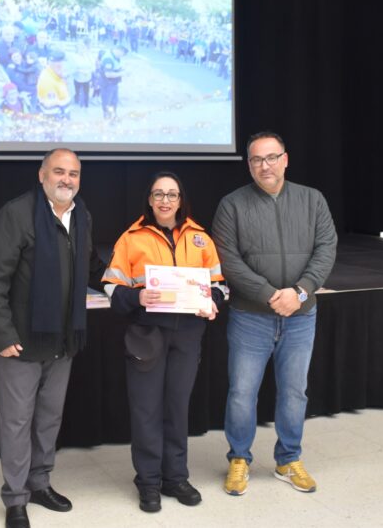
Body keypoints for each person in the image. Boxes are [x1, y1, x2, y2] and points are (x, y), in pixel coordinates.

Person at [0, 149, 107, 528]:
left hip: (63, 341)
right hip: (20, 342)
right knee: (16, 422)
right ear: (42, 175)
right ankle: (15, 498)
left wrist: (125, 284)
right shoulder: (16, 214)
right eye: (59, 171)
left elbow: (92, 268)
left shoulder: (81, 214)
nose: (67, 179)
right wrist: (3, 335)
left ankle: (39, 483)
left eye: (74, 173)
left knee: (48, 419)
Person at [211, 131, 337, 497]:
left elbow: (326, 248)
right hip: (250, 317)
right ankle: (239, 459)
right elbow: (228, 260)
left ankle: (288, 459)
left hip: (301, 315)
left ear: (285, 159)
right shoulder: (231, 205)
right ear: (249, 165)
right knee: (241, 392)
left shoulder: (313, 200)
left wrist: (300, 292)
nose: (264, 166)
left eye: (271, 157)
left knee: (295, 392)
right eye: (256, 160)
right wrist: (270, 295)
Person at [103, 172, 226, 513]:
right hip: (146, 333)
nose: (165, 200)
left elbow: (219, 284)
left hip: (188, 334)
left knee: (177, 407)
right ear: (150, 199)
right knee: (146, 410)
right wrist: (138, 297)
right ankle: (148, 482)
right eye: (158, 194)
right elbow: (112, 288)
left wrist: (213, 300)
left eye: (172, 194)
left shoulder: (201, 238)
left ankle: (175, 478)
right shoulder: (131, 238)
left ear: (181, 199)